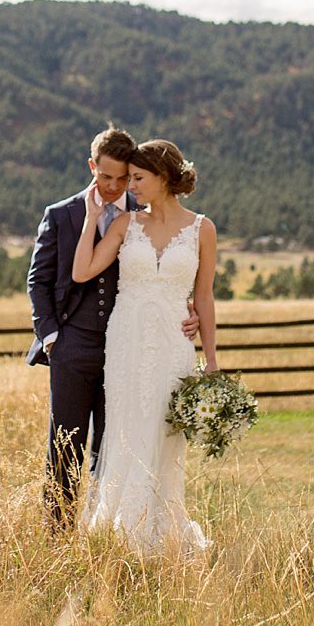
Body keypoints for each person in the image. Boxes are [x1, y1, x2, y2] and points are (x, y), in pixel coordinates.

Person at [27, 126, 198, 532]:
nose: (114, 185)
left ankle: (107, 530)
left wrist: (182, 303)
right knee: (64, 444)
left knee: (114, 445)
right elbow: (39, 281)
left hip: (128, 350)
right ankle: (59, 534)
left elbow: (163, 263)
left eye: (123, 178)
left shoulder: (139, 218)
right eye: (106, 177)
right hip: (71, 345)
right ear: (92, 167)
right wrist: (52, 338)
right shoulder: (61, 214)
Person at [71, 138, 218, 554]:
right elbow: (83, 271)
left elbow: (204, 297)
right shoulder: (125, 225)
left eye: (138, 178)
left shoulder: (202, 229)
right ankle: (119, 529)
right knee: (124, 426)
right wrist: (90, 218)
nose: (130, 186)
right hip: (125, 340)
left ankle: (159, 531)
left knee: (162, 429)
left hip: (173, 342)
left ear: (164, 177)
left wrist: (211, 361)